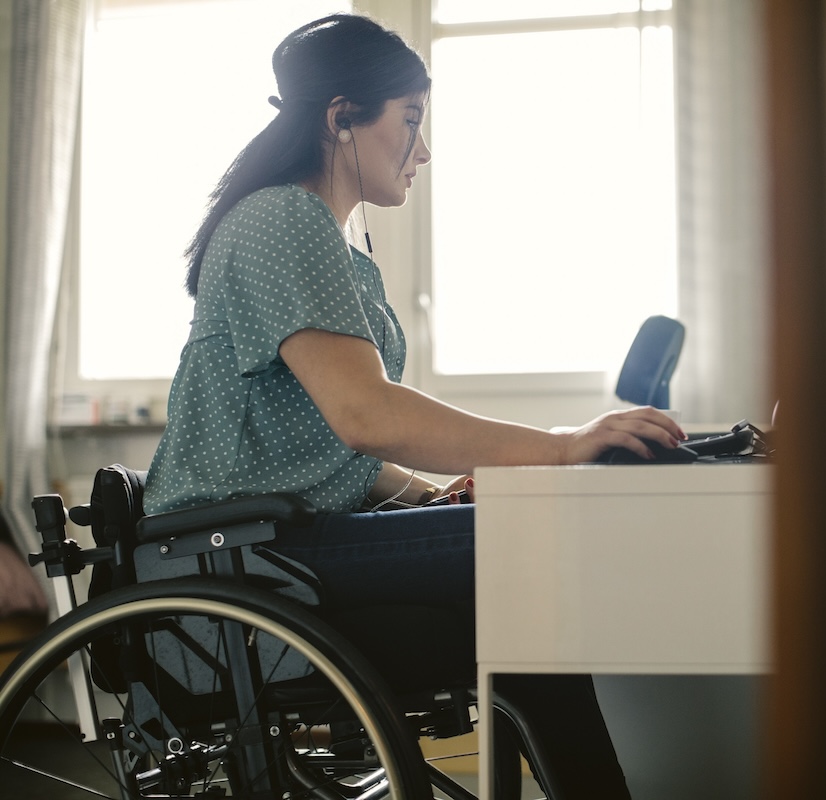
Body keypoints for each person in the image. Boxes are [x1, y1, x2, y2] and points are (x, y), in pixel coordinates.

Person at [142, 12, 686, 799]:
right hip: (249, 559)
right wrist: (562, 446)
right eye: (410, 121)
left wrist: (427, 493)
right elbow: (368, 415)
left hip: (278, 538)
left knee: (532, 596)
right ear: (340, 118)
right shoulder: (281, 218)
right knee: (539, 547)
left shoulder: (324, 239)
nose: (423, 149)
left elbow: (330, 445)